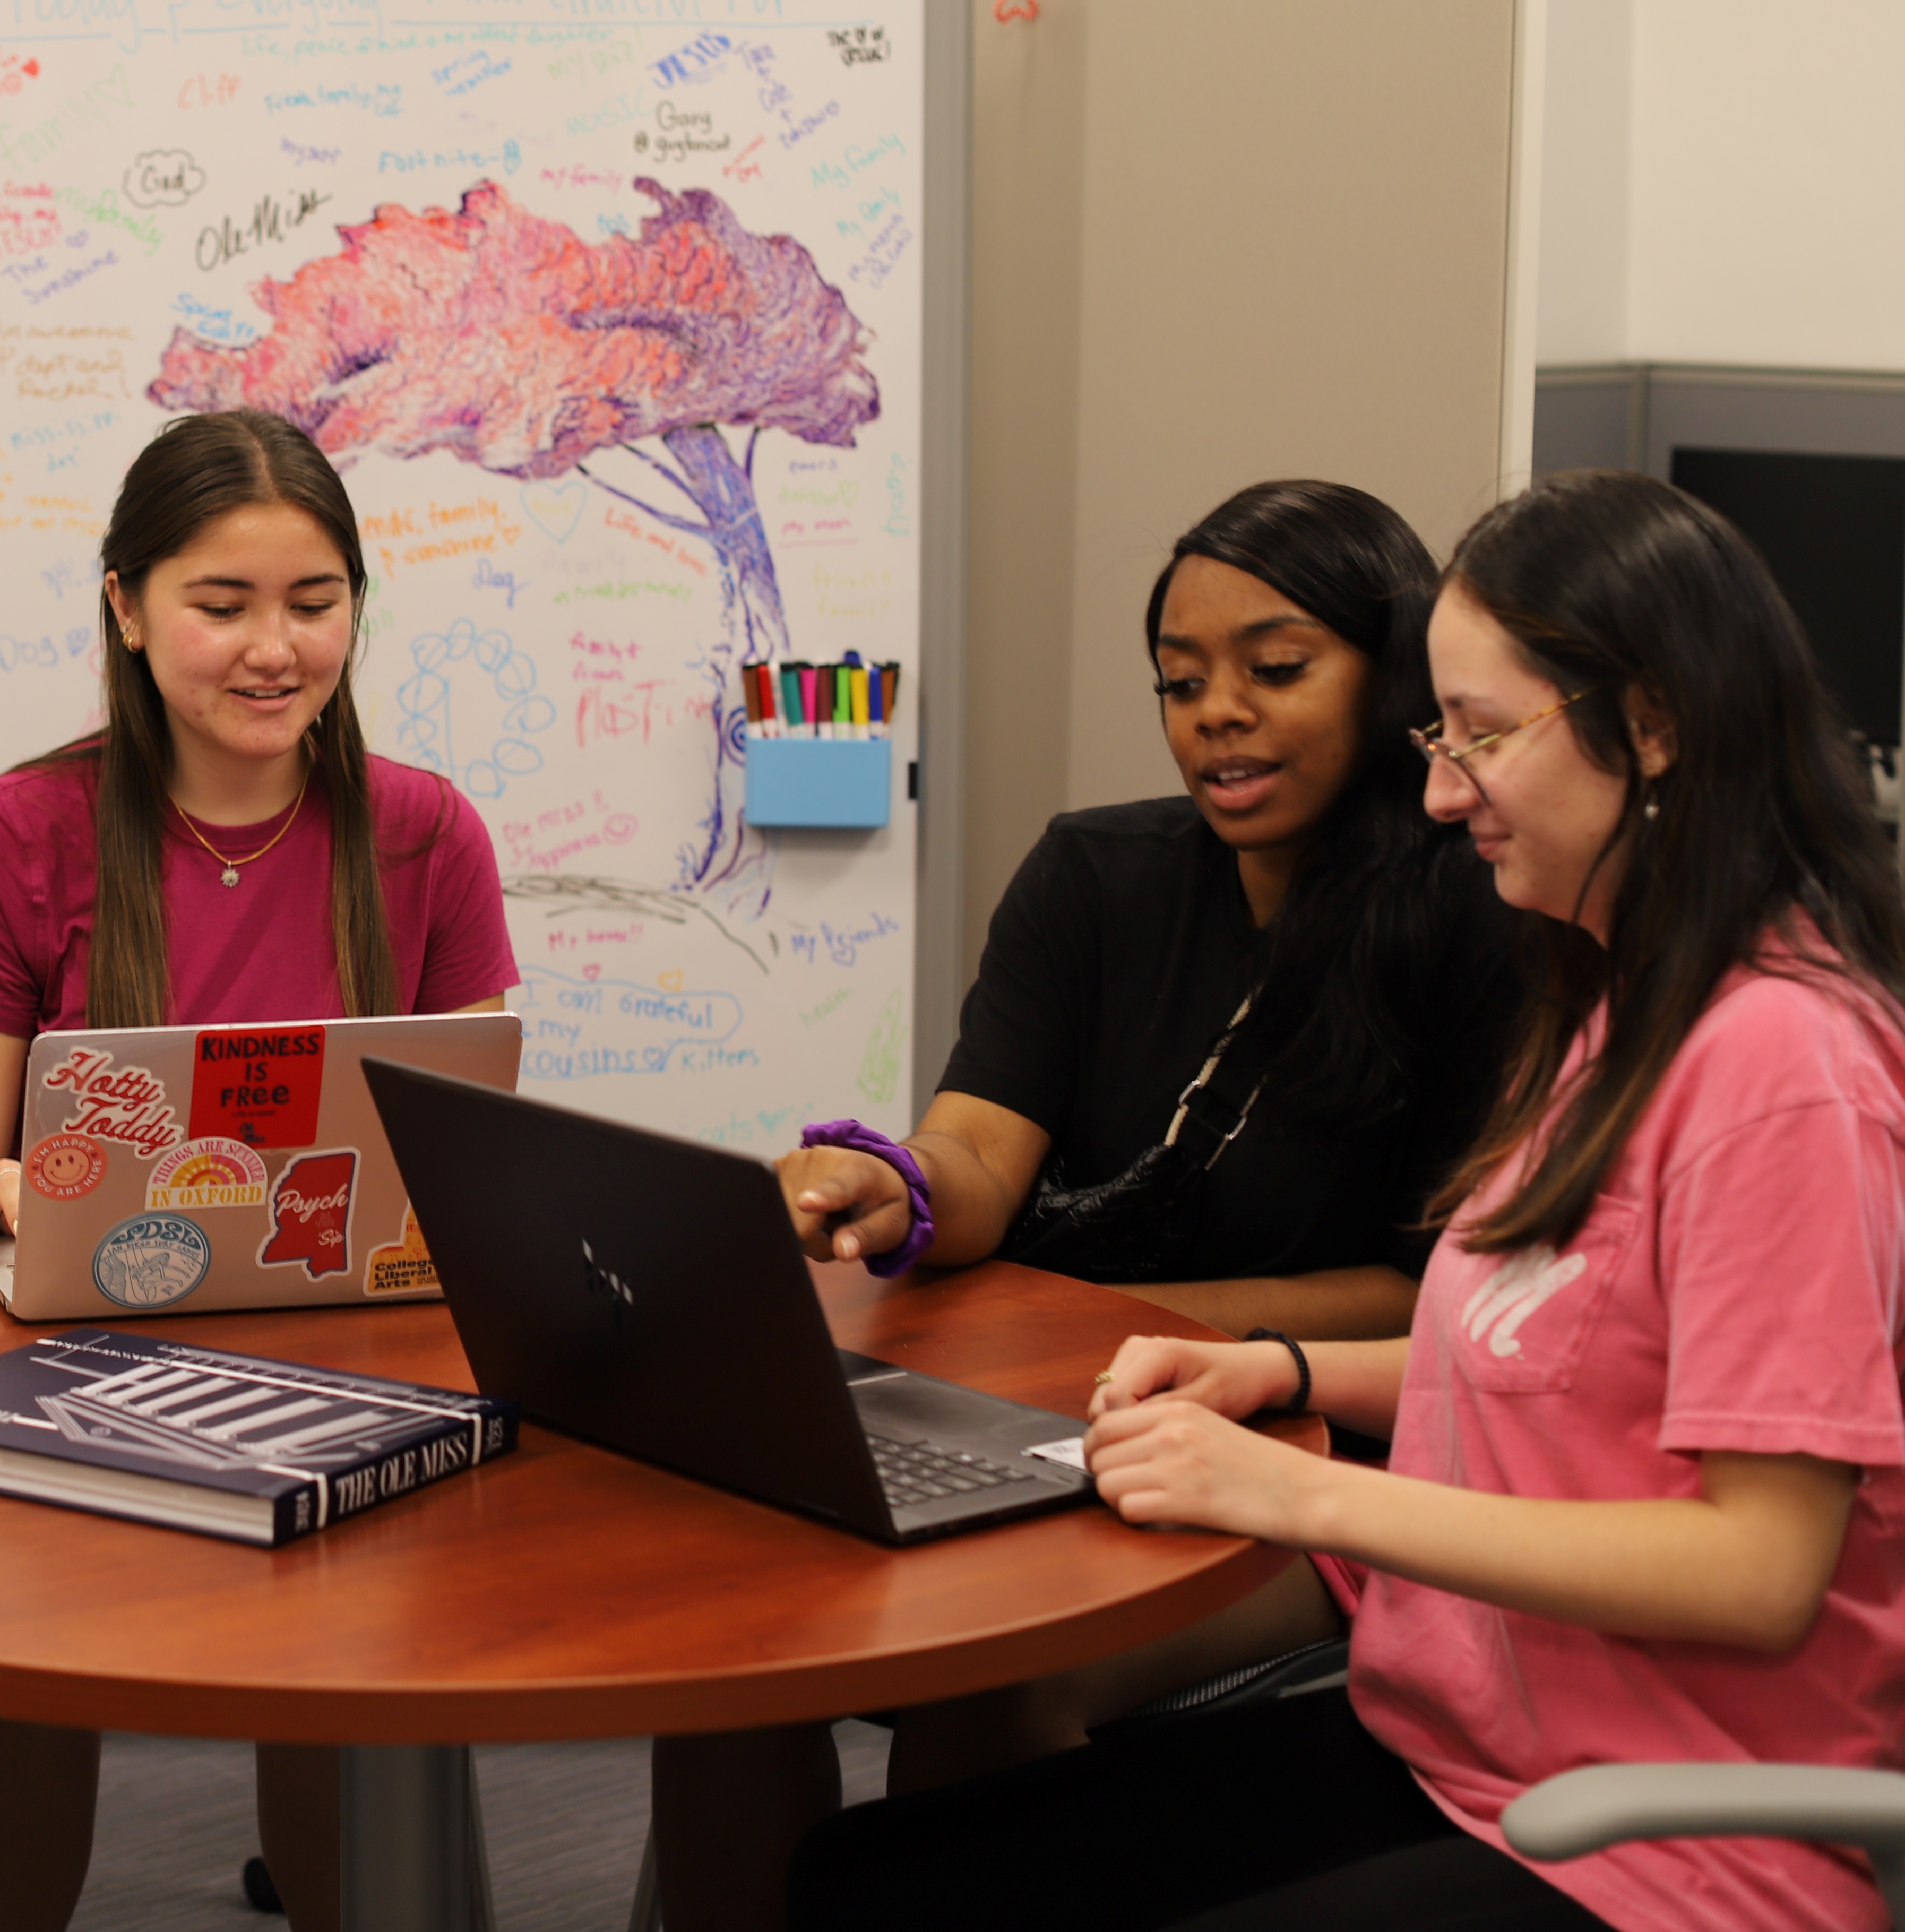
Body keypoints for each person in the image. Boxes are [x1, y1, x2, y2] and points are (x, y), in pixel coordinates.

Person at [783, 469, 1905, 1930]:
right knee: (870, 1885)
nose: (1443, 790)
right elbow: (1560, 1342)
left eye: (1487, 739)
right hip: (1467, 1751)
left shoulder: (1782, 1066)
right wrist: (1287, 1369)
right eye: (1441, 739)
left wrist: (1299, 1488)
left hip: (1655, 1837)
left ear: (1654, 726)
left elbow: (1760, 1570)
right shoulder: (1618, 1003)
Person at [656, 481, 1523, 1927]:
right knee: (729, 1649)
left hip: (1330, 1471)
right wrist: (899, 1181)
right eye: (1181, 684)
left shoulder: (1480, 917)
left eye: (1275, 669)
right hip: (1045, 1414)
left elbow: (1436, 1301)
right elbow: (980, 1158)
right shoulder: (1095, 873)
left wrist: (1089, 1330)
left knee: (994, 1672)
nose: (1217, 715)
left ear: (1396, 672)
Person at [0, 409, 519, 1932]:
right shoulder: (23, 836)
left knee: (351, 1629)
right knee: (14, 1661)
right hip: (78, 1377)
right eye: (220, 606)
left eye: (314, 602)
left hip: (350, 1371)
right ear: (126, 607)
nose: (273, 649)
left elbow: (476, 1169)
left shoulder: (425, 836)